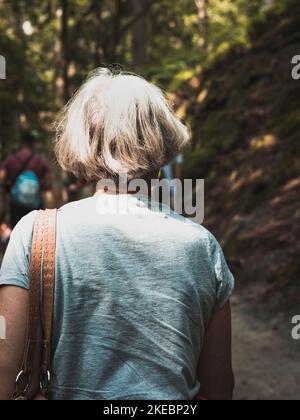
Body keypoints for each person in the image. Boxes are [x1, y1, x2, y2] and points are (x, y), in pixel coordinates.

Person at [0, 69, 235, 400]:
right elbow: (219, 389)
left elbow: (5, 380)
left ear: (81, 141)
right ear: (161, 140)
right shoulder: (201, 246)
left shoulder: (36, 234)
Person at [0, 133, 53, 229]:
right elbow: (48, 182)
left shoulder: (11, 159)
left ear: (21, 144)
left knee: (16, 229)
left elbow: (1, 177)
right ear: (32, 144)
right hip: (34, 205)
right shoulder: (39, 161)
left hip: (16, 204)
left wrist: (7, 188)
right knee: (34, 231)